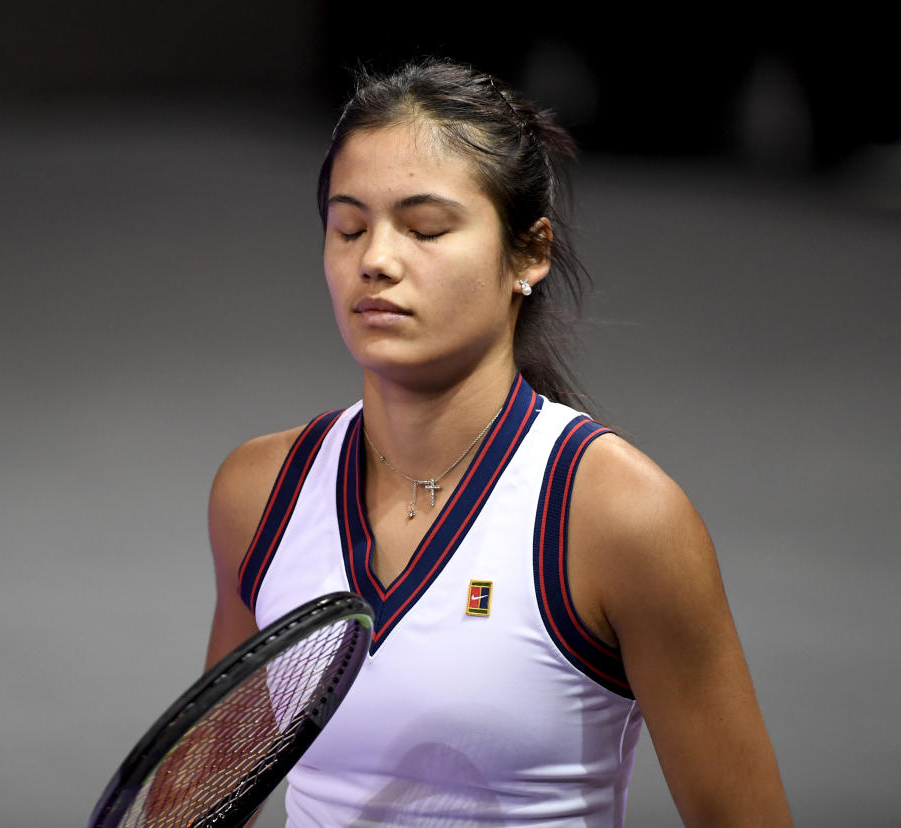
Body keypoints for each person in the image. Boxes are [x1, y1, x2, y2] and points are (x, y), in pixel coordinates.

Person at [206, 58, 791, 827]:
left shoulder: (619, 517)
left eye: (424, 228)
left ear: (529, 254)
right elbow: (211, 792)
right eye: (349, 227)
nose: (374, 260)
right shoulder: (259, 492)